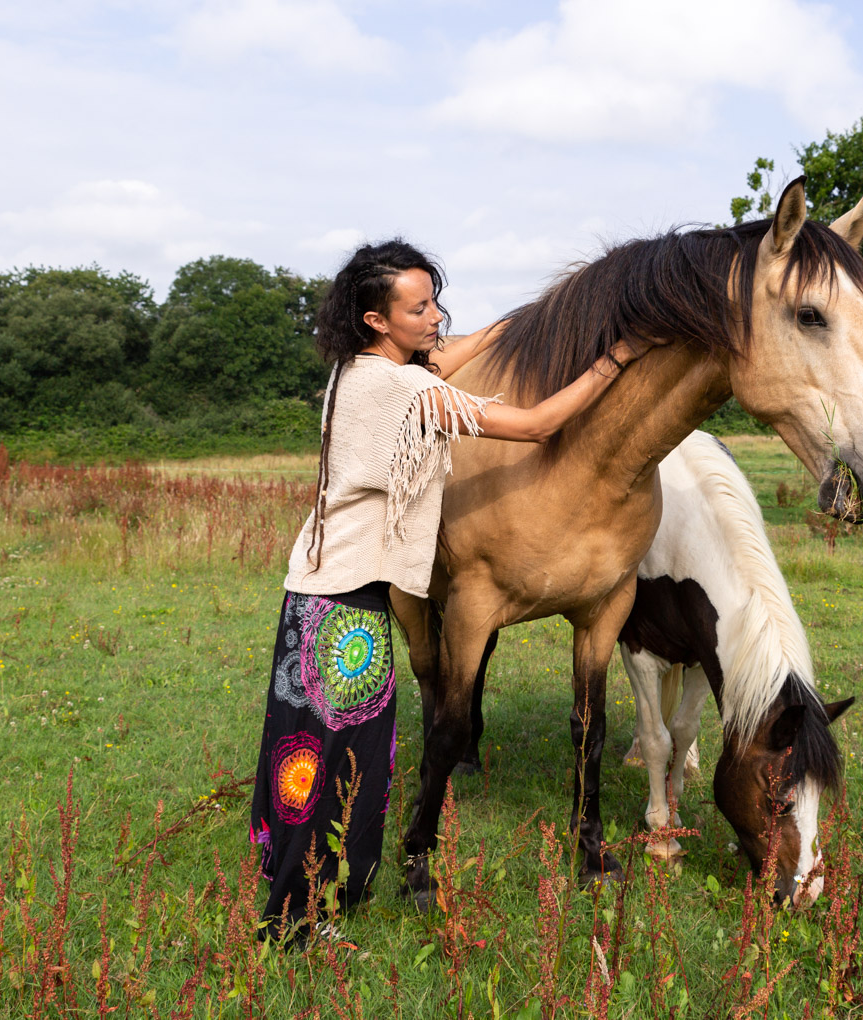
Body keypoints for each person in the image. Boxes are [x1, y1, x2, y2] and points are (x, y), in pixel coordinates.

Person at [250, 238, 646, 939]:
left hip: (323, 591)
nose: (437, 316)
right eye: (420, 306)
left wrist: (524, 323)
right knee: (329, 762)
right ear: (377, 319)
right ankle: (294, 918)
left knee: (325, 756)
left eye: (435, 300)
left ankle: (307, 896)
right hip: (344, 601)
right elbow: (536, 423)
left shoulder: (362, 371)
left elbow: (450, 354)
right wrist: (612, 360)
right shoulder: (406, 391)